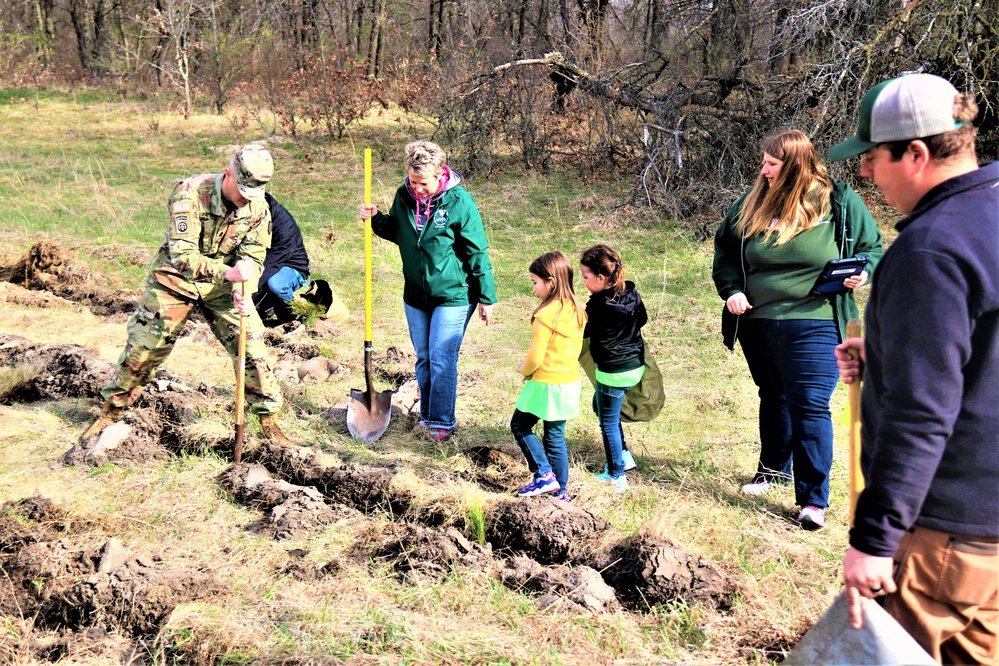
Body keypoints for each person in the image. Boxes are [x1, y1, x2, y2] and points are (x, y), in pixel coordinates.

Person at [830, 73, 998, 663]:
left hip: (943, 533)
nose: (869, 174)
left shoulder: (932, 248)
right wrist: (890, 355)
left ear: (917, 153)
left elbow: (920, 413)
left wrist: (874, 541)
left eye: (874, 158)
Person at [712, 129, 883, 530]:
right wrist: (732, 289)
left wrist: (862, 272)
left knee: (809, 405)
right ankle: (772, 471)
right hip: (758, 321)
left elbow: (872, 249)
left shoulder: (836, 200)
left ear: (794, 165)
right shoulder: (750, 202)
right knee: (773, 397)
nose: (764, 169)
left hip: (817, 321)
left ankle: (812, 501)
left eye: (772, 163)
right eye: (765, 162)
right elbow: (726, 254)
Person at [80, 143, 292, 446]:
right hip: (174, 282)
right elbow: (183, 255)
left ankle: (269, 421)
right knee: (144, 350)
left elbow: (255, 255)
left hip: (221, 288)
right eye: (242, 191)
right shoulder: (190, 193)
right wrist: (228, 273)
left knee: (254, 349)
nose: (246, 200)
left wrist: (245, 286)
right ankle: (111, 412)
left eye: (253, 194)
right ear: (228, 174)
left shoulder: (257, 205)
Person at [359, 140, 497, 442]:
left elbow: (478, 251)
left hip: (454, 294)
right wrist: (375, 219)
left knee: (441, 357)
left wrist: (487, 296)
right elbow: (400, 232)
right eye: (412, 180)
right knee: (423, 357)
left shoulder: (459, 202)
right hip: (416, 295)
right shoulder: (403, 196)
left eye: (423, 183)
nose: (417, 188)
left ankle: (443, 422)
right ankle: (427, 417)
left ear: (439, 174)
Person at [511, 251, 587, 502]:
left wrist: (525, 370)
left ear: (550, 282)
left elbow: (536, 355)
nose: (533, 288)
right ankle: (561, 491)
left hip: (545, 383)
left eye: (535, 282)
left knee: (520, 425)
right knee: (555, 436)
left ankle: (543, 475)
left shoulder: (545, 316)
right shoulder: (577, 310)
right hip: (569, 383)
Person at [580, 244, 647, 494]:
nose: (583, 283)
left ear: (600, 278)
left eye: (586, 277)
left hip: (613, 370)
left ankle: (616, 475)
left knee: (607, 422)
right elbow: (642, 319)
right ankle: (625, 456)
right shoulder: (631, 294)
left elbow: (584, 331)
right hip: (634, 365)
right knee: (601, 406)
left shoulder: (598, 305)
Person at [251, 192, 349, 328]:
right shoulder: (249, 217)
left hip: (292, 267)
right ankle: (268, 307)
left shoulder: (284, 225)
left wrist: (249, 289)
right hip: (268, 265)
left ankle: (292, 318)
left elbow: (270, 263)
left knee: (276, 285)